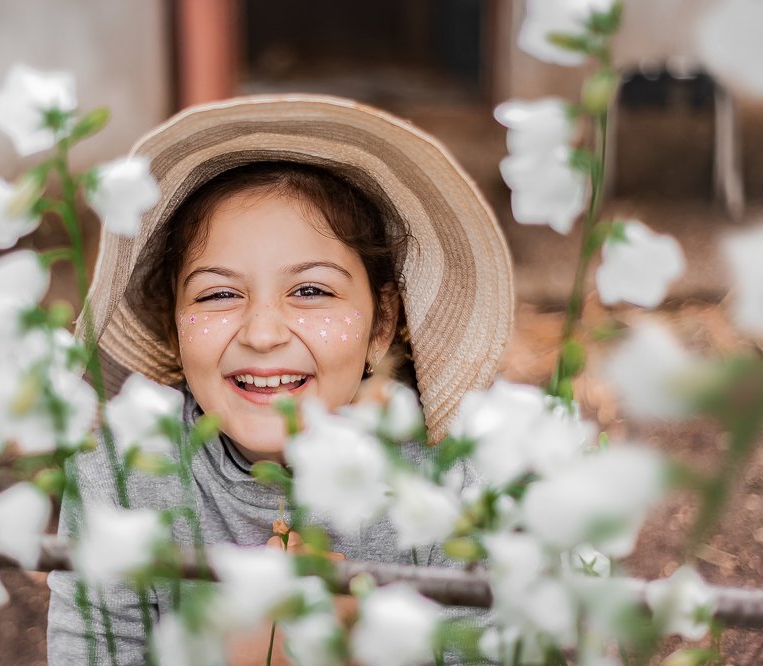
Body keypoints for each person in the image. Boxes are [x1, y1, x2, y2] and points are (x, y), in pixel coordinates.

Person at [48, 94, 514, 665]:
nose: (262, 333)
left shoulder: (453, 482)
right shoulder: (119, 478)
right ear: (174, 328)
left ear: (382, 324)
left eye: (312, 291)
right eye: (218, 294)